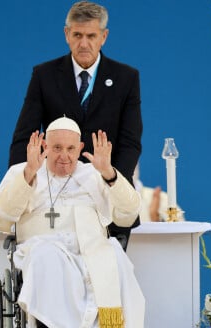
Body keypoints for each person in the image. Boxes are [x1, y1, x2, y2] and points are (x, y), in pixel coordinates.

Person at [0, 116, 146, 328]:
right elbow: (5, 216)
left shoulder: (95, 175)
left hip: (91, 249)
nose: (64, 156)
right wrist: (29, 173)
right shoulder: (24, 171)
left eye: (71, 149)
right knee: (47, 254)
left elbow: (127, 215)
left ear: (80, 148)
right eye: (57, 148)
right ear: (44, 147)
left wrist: (109, 172)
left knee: (111, 256)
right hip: (42, 247)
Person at [8, 1, 143, 242]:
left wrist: (112, 186)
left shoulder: (126, 78)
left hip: (105, 201)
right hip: (52, 200)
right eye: (77, 35)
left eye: (91, 36)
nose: (84, 43)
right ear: (66, 34)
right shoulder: (44, 76)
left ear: (104, 36)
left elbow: (129, 142)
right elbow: (24, 138)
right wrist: (20, 188)